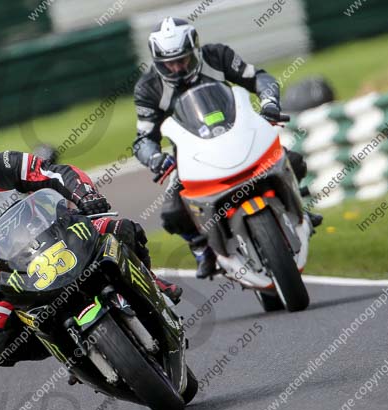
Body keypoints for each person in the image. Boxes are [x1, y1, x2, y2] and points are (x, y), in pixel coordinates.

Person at [0, 120, 182, 368]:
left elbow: (55, 173)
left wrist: (86, 195)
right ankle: (71, 352)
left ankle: (151, 283)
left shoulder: (3, 164)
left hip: (65, 234)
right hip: (13, 279)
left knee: (122, 229)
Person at [133, 17, 322, 279]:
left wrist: (269, 103)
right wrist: (155, 158)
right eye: (169, 63)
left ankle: (297, 207)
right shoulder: (148, 88)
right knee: (172, 211)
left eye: (183, 60)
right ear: (157, 62)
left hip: (239, 134)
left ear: (195, 50)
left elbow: (259, 78)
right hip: (191, 155)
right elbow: (143, 138)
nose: (177, 68)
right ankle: (201, 247)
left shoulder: (218, 56)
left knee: (293, 160)